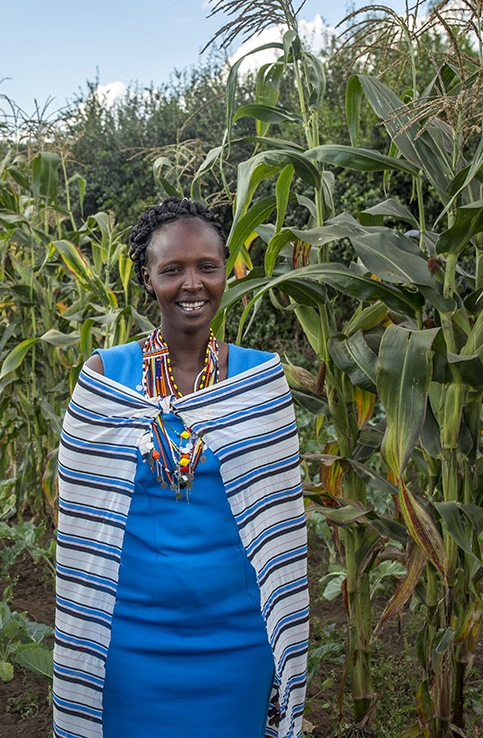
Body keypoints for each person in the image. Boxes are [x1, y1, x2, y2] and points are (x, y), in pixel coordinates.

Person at [53, 198, 309, 738]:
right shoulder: (107, 377)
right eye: (172, 270)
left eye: (206, 267)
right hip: (129, 633)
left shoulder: (259, 380)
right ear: (148, 278)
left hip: (238, 635)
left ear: (223, 273)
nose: (191, 284)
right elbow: (82, 515)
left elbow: (279, 521)